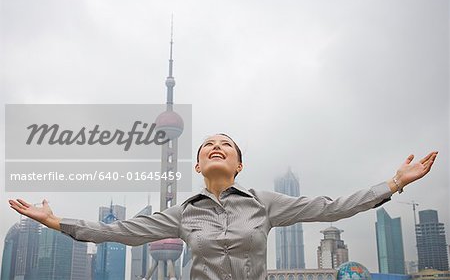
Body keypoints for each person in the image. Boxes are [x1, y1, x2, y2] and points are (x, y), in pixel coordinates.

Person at [9, 133, 438, 280]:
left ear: (238, 164)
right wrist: (54, 221)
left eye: (226, 145)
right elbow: (116, 232)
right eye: (208, 145)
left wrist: (395, 182)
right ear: (197, 164)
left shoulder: (264, 203)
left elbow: (330, 208)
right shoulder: (182, 213)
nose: (217, 148)